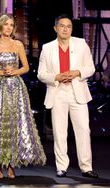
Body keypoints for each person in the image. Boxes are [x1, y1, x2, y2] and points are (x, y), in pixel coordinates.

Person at [0, 14, 46, 179]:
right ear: (0, 26)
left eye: (11, 25)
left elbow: (25, 67)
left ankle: (12, 164)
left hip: (15, 88)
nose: (8, 27)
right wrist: (0, 72)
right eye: (6, 24)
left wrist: (14, 71)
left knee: (14, 123)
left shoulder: (18, 44)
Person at [37, 14, 98, 178]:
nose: (65, 29)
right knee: (59, 131)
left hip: (77, 91)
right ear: (55, 28)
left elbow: (90, 68)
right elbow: (41, 74)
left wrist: (77, 72)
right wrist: (55, 77)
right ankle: (61, 166)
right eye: (62, 26)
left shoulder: (81, 44)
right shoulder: (47, 48)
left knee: (83, 130)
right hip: (58, 92)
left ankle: (86, 167)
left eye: (69, 26)